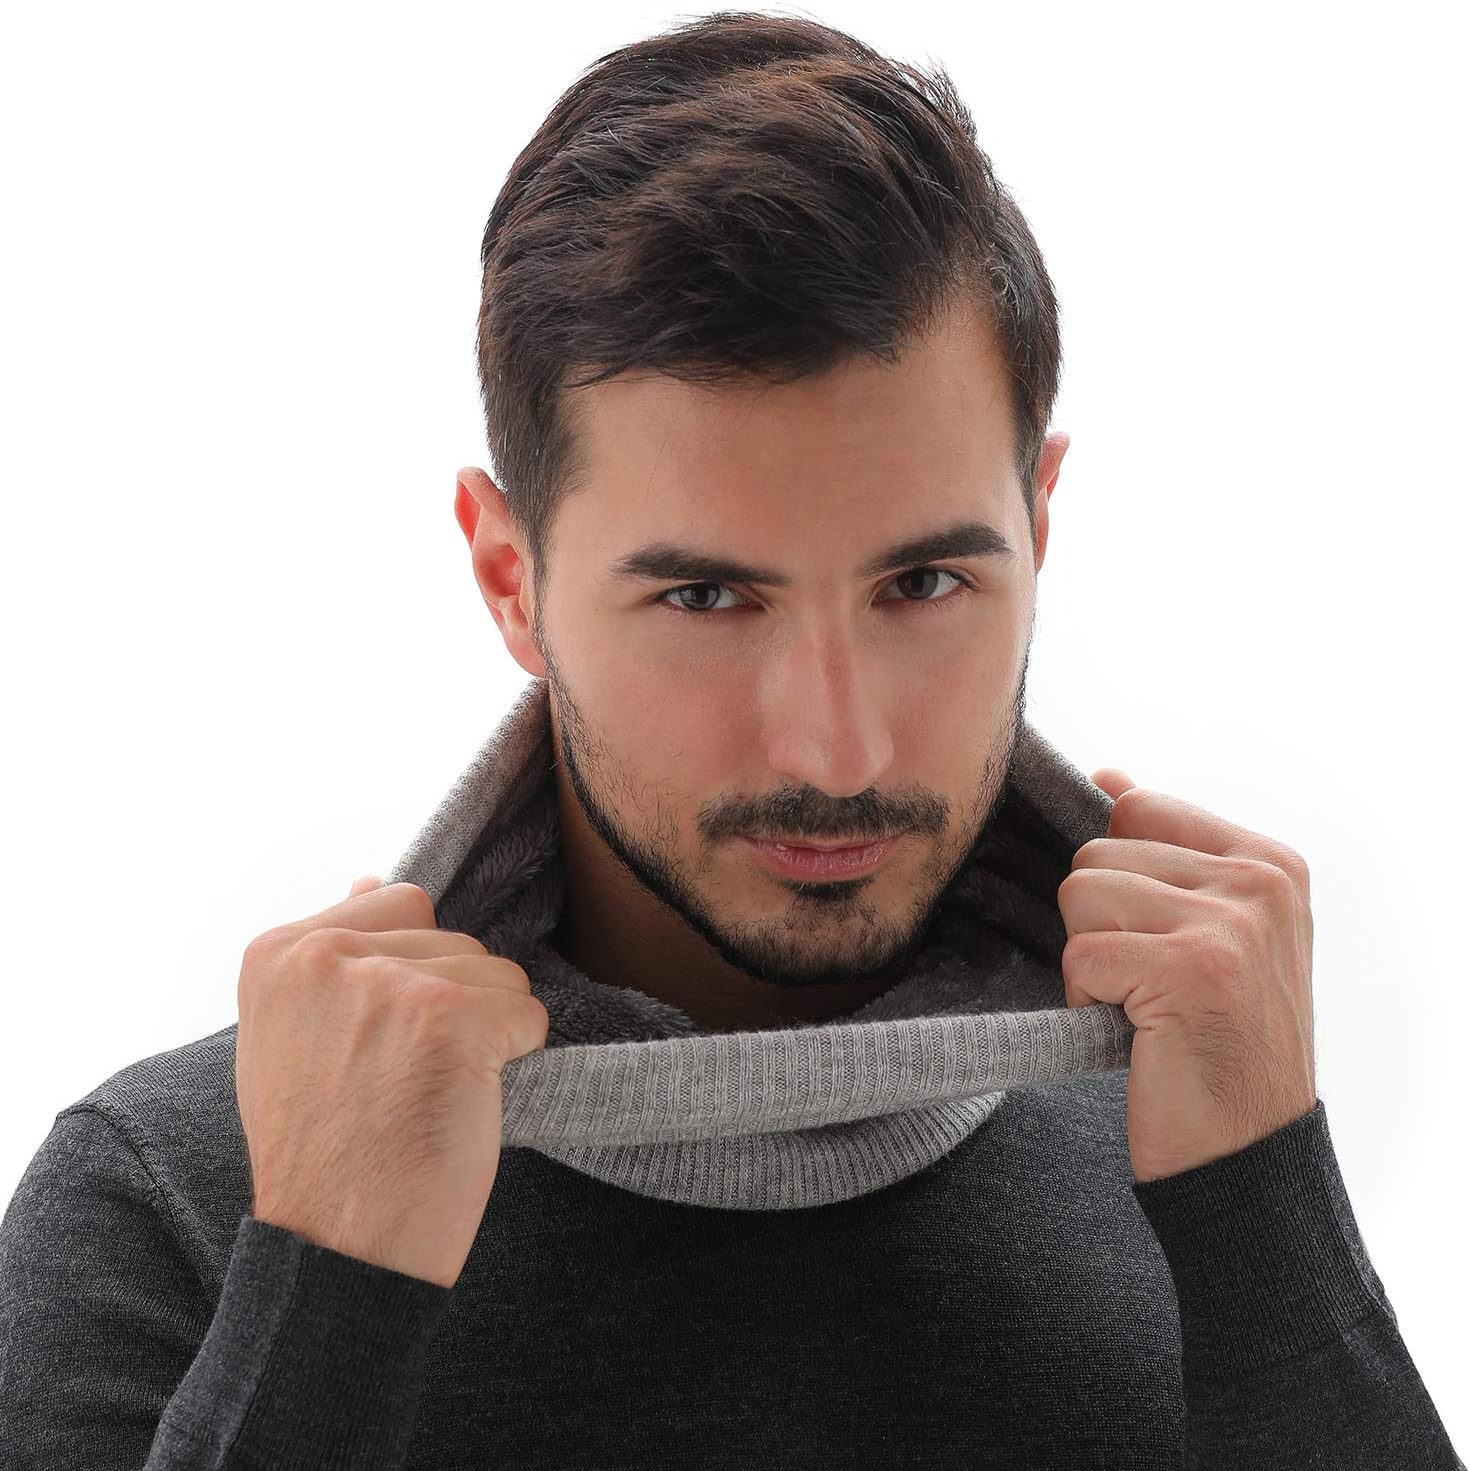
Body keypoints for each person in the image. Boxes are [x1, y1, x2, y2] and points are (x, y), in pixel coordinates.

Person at [1, 12, 1462, 1467]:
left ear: (1038, 528)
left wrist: (1269, 1218)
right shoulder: (184, 1204)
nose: (836, 752)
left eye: (922, 584)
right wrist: (324, 1297)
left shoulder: (1203, 1137)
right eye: (705, 597)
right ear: (510, 579)